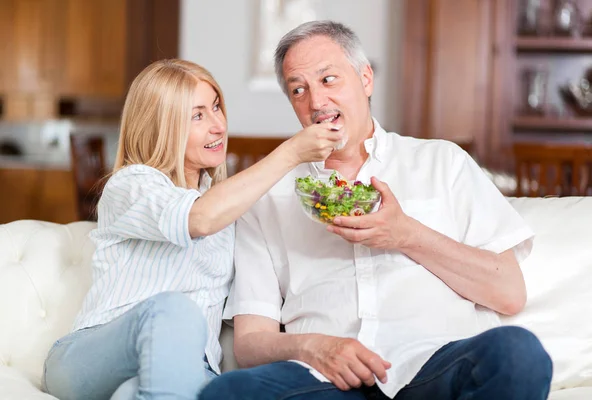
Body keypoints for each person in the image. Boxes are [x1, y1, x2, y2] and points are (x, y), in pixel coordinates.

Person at [199, 21, 553, 400]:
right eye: (298, 90)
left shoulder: (442, 162)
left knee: (519, 354)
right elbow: (251, 342)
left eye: (329, 79)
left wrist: (406, 234)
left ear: (365, 79)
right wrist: (313, 347)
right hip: (325, 379)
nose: (316, 102)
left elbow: (508, 292)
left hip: (433, 365)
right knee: (228, 392)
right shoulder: (267, 195)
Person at [41, 59, 344, 400]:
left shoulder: (231, 210)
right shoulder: (132, 184)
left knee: (133, 393)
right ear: (161, 127)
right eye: (197, 115)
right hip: (92, 359)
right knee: (173, 310)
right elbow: (198, 219)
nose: (218, 126)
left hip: (189, 368)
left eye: (216, 107)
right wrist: (291, 152)